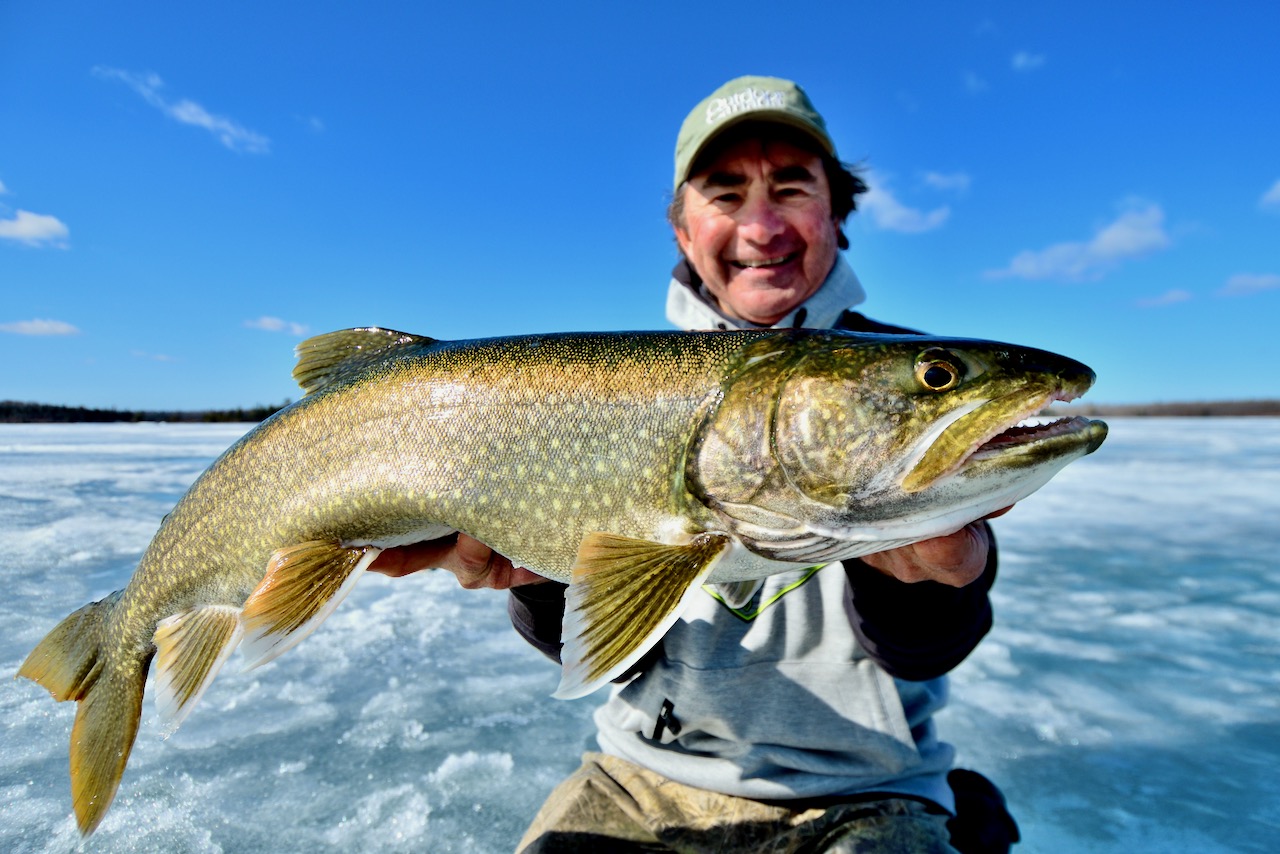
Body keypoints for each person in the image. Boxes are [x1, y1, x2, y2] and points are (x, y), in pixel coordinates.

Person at [372, 76, 1020, 853]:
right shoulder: (602, 391)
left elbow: (929, 650)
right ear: (683, 231)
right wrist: (546, 584)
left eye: (790, 187)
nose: (761, 222)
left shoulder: (902, 386)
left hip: (862, 789)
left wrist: (935, 583)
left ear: (836, 215)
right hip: (640, 776)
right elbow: (618, 656)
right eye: (724, 193)